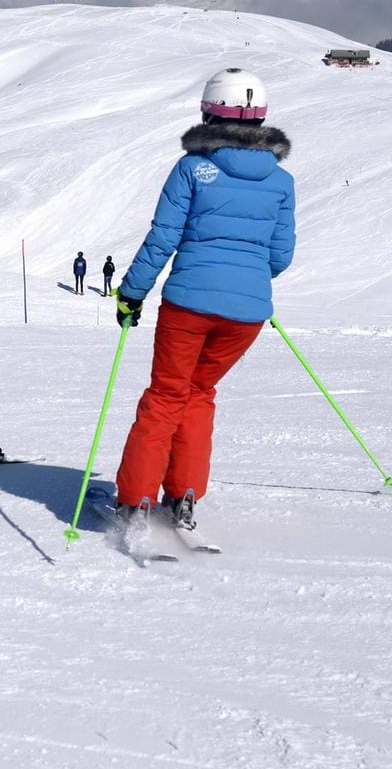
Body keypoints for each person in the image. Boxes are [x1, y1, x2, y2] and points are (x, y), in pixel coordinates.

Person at [110, 67, 295, 537]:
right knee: (199, 394)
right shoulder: (280, 180)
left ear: (209, 112)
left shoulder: (193, 168)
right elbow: (280, 255)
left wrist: (131, 293)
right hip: (247, 314)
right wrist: (245, 280)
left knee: (167, 396)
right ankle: (185, 494)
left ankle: (136, 501)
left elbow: (163, 237)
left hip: (188, 305)